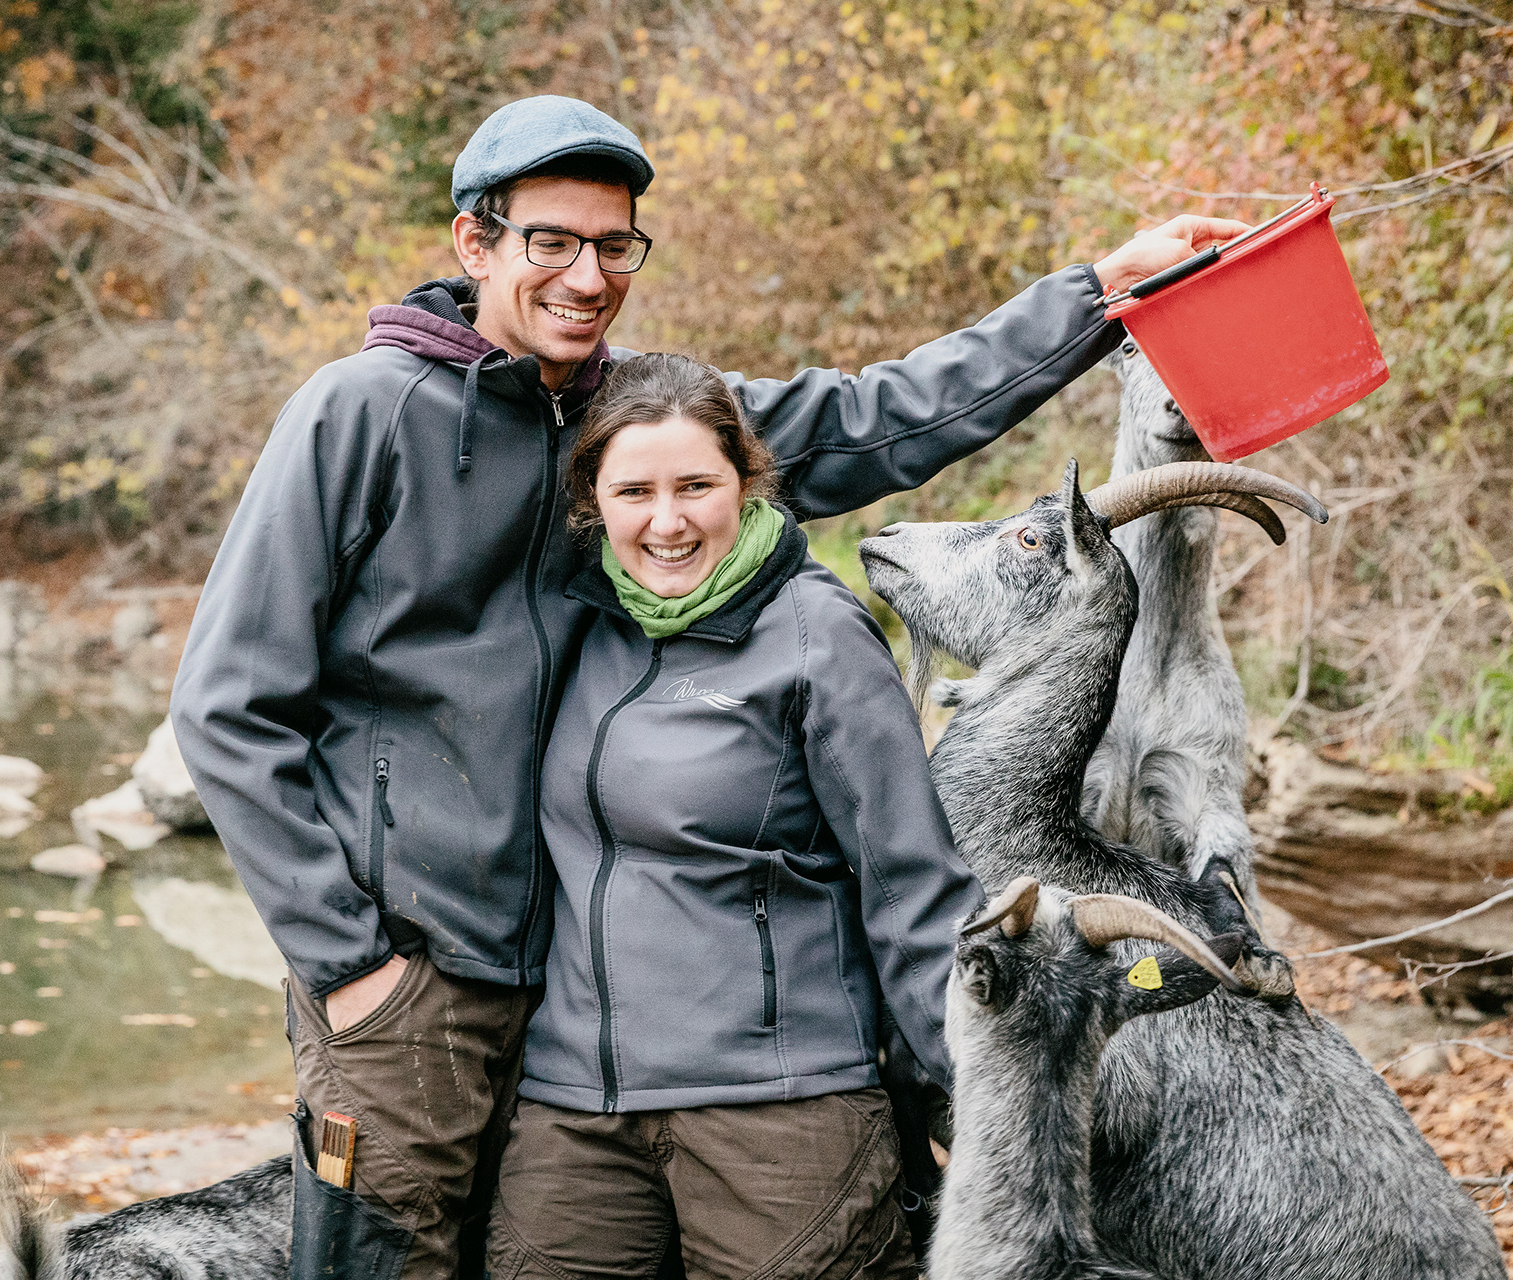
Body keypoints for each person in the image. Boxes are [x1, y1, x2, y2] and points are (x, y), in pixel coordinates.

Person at [170, 93, 1247, 1280]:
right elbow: (226, 702)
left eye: (614, 244)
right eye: (552, 242)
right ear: (476, 244)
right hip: (406, 976)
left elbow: (871, 415)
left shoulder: (630, 417)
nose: (588, 275)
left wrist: (1100, 295)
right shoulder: (358, 413)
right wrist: (349, 960)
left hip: (561, 984)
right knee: (380, 1262)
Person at [482, 352, 978, 1279]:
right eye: (635, 490)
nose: (666, 522)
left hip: (783, 1115)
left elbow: (912, 884)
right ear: (592, 499)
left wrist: (976, 1093)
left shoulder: (815, 633)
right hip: (575, 1113)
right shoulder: (580, 621)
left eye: (696, 486)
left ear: (747, 483)